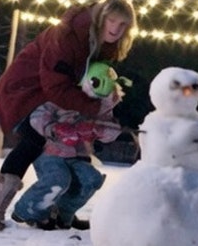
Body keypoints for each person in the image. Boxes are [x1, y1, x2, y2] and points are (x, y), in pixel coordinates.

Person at [0, 0, 136, 230]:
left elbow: (89, 83)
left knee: (74, 150)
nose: (115, 29)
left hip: (53, 98)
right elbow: (55, 85)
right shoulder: (66, 36)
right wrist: (93, 110)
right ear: (99, 18)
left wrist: (103, 113)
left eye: (122, 24)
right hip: (23, 91)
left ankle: (61, 212)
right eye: (111, 21)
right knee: (34, 140)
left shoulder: (102, 44)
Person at [11, 62, 126, 230]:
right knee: (59, 178)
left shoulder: (102, 105)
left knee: (91, 178)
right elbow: (38, 116)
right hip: (49, 152)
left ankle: (62, 214)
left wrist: (96, 130)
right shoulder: (63, 96)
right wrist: (55, 128)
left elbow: (111, 130)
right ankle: (29, 210)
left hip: (76, 155)